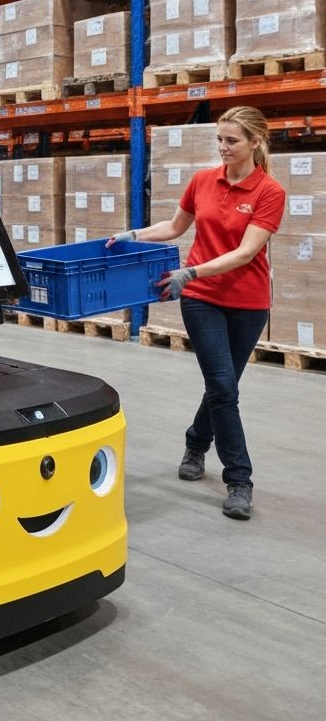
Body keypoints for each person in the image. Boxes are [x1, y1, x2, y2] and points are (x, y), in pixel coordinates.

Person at [108, 106, 285, 521]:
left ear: (254, 142)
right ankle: (239, 481)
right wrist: (132, 235)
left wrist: (189, 270)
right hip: (201, 297)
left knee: (222, 386)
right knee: (223, 387)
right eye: (219, 140)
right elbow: (173, 227)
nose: (222, 148)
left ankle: (195, 442)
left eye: (232, 141)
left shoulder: (269, 192)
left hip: (247, 301)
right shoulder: (204, 180)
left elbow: (245, 253)